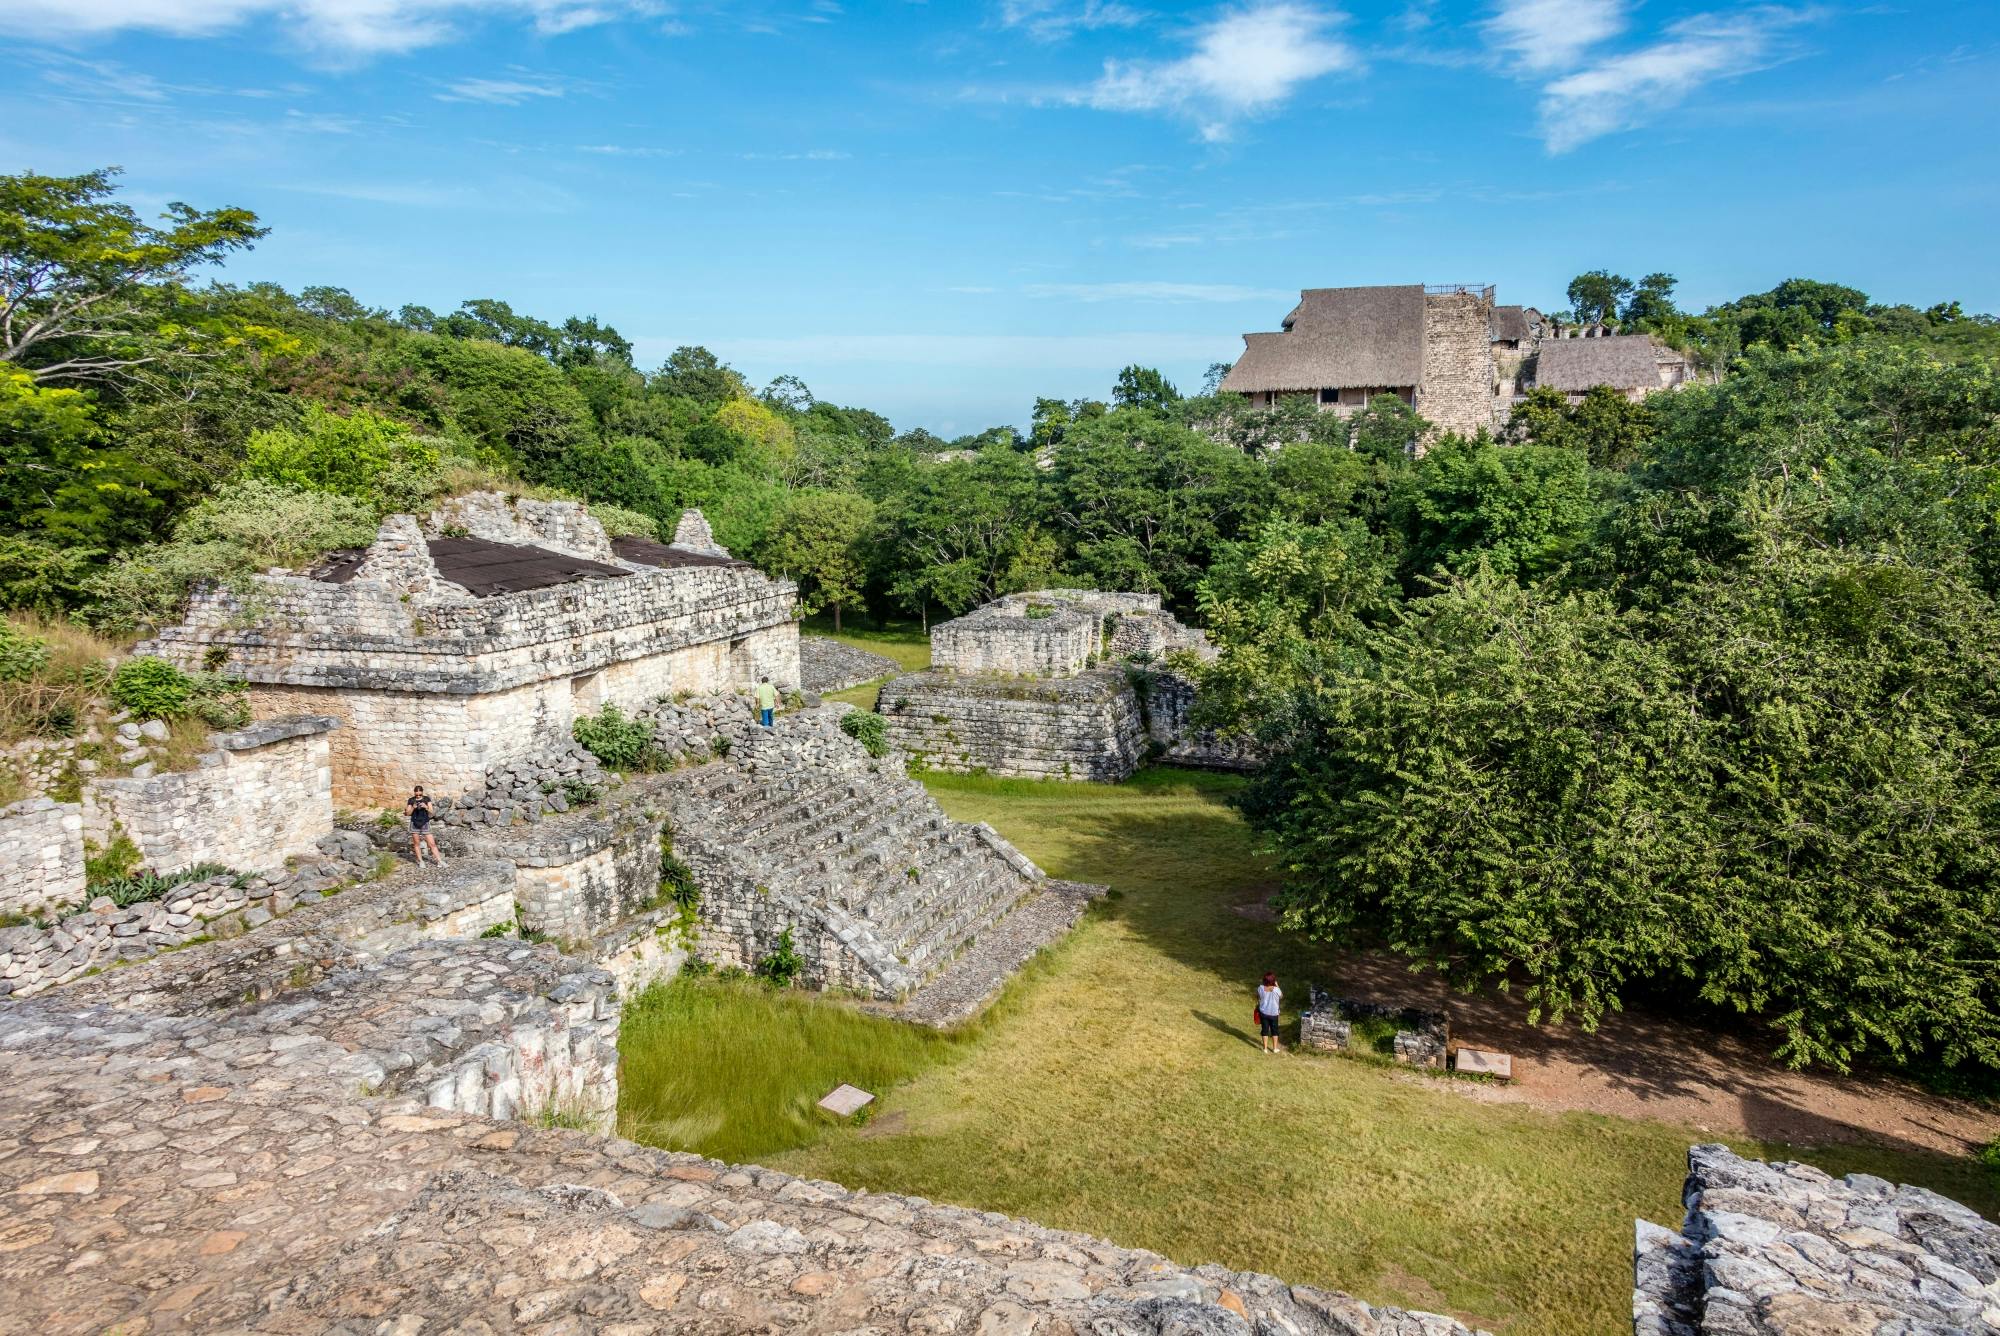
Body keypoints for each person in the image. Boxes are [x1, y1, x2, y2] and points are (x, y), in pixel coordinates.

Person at [406, 785, 445, 868]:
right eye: (417, 795)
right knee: (417, 843)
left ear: (422, 793)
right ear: (414, 793)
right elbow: (407, 813)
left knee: (432, 843)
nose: (418, 796)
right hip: (414, 823)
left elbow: (432, 812)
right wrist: (413, 807)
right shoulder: (411, 800)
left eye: (420, 795)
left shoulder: (426, 799)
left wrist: (426, 807)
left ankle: (439, 861)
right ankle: (420, 861)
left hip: (425, 823)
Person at [1255, 972, 1283, 1053]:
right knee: (1275, 1031)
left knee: (1265, 1030)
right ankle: (1274, 1048)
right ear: (1273, 981)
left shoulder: (1260, 988)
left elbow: (1257, 996)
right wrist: (1277, 985)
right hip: (1274, 1013)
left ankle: (1265, 1049)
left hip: (1263, 1012)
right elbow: (1281, 996)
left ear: (1264, 980)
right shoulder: (1276, 990)